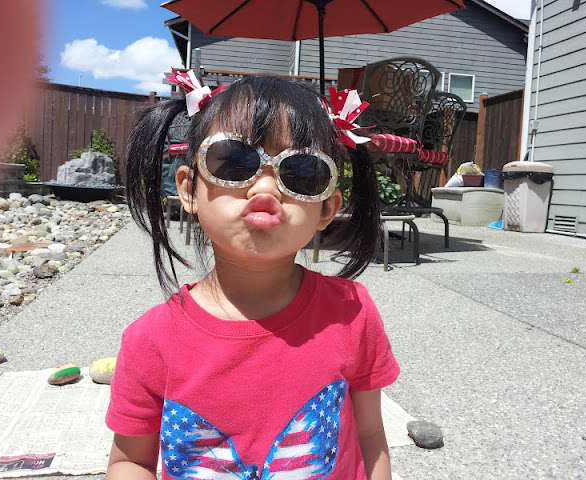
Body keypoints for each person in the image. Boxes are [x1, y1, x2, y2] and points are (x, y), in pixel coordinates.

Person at [105, 72, 400, 480]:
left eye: (301, 172)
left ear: (327, 209)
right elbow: (130, 462)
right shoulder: (150, 341)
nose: (266, 188)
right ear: (189, 190)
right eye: (234, 162)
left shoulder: (352, 314)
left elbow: (370, 434)